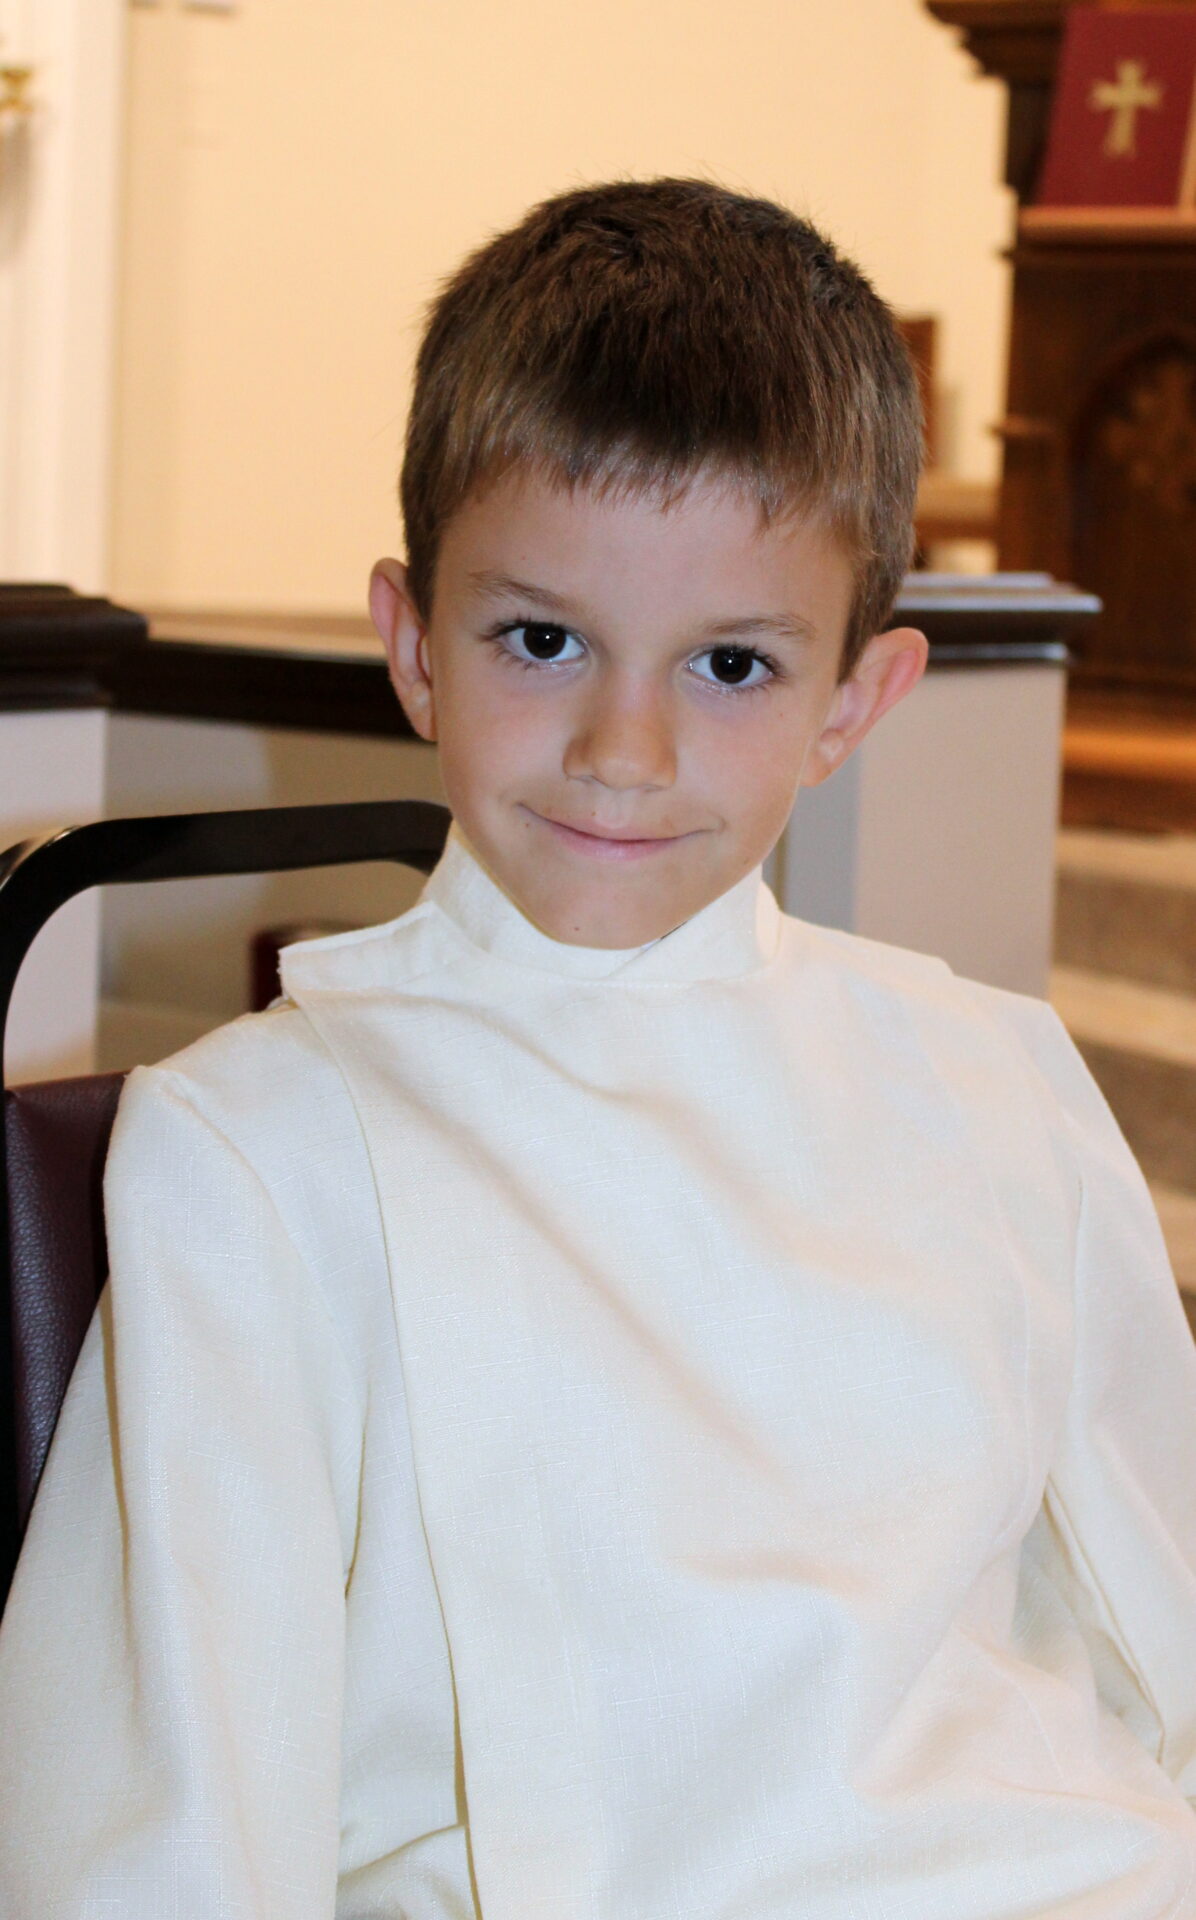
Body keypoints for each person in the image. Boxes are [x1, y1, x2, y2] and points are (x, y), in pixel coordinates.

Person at [2, 177, 1196, 1920]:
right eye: (542, 639)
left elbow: (1165, 1620)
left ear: (856, 703)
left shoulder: (995, 1077)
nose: (622, 749)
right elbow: (166, 1830)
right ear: (414, 645)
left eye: (730, 663)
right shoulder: (255, 1154)